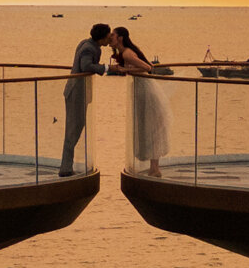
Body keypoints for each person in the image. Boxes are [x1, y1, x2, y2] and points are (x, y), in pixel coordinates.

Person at [113, 26, 170, 176]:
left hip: (146, 90)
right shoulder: (125, 53)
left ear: (120, 38)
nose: (111, 37)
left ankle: (155, 168)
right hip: (141, 88)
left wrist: (125, 70)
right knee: (148, 127)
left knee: (150, 127)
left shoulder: (127, 54)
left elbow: (147, 67)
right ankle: (153, 167)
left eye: (113, 35)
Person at [60, 22, 110, 175]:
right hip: (76, 92)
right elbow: (86, 66)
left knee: (75, 128)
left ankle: (67, 166)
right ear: (102, 37)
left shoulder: (87, 43)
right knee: (73, 129)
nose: (109, 38)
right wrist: (107, 68)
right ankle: (66, 168)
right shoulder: (88, 48)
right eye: (108, 35)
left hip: (77, 91)